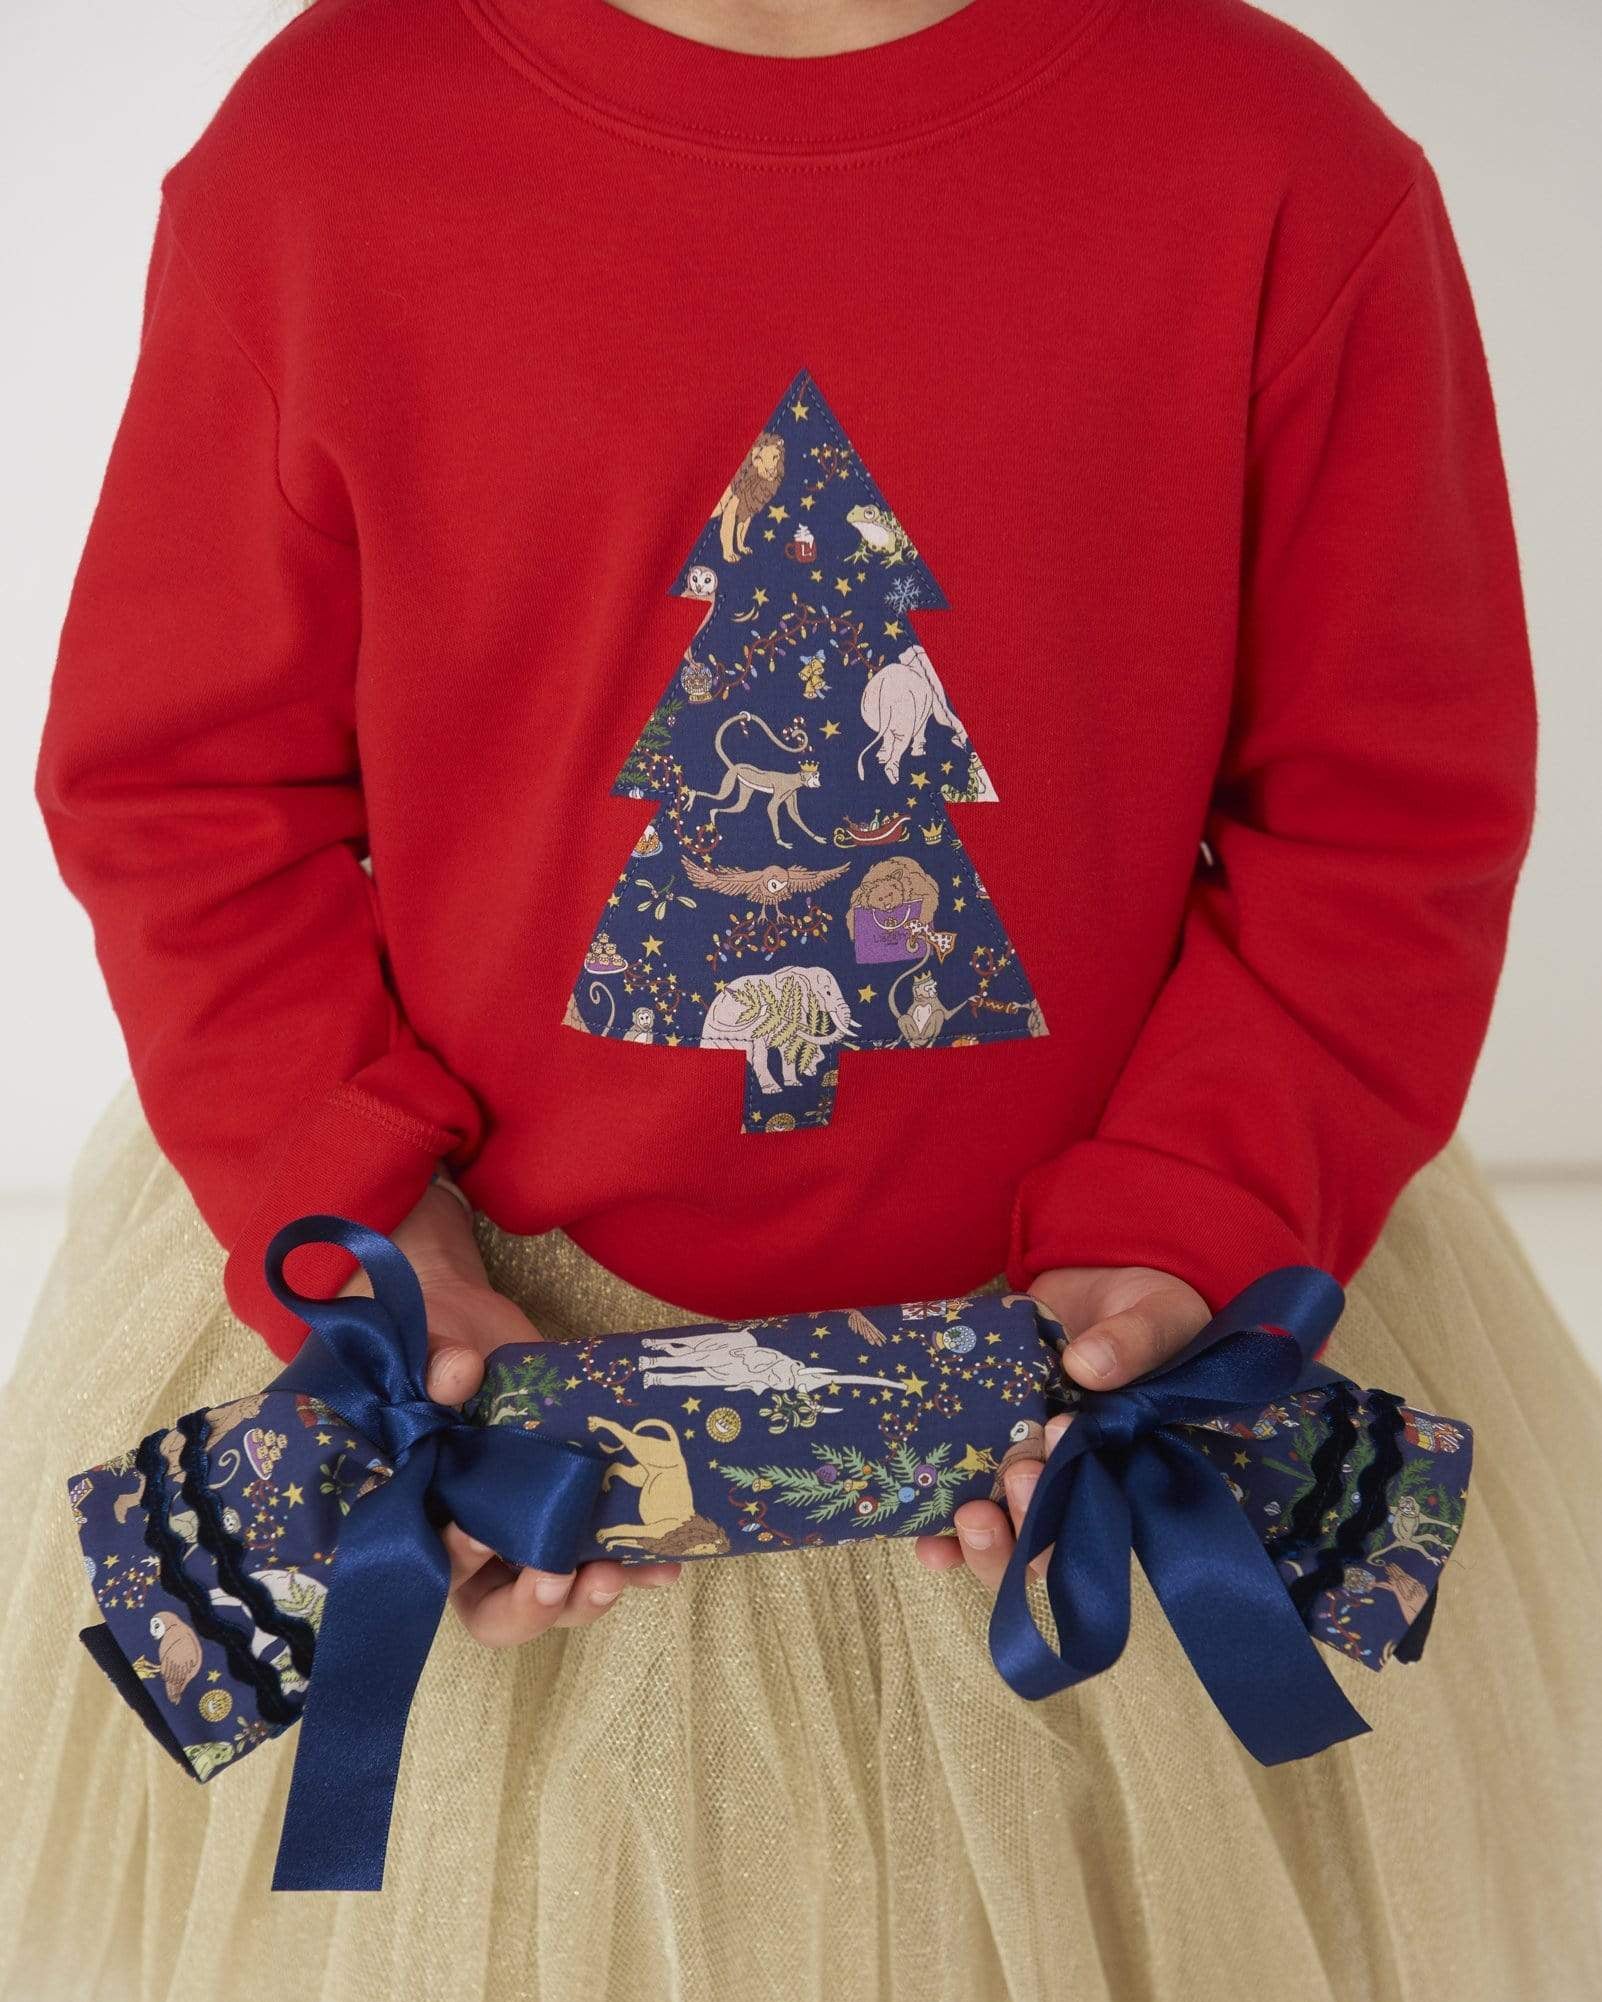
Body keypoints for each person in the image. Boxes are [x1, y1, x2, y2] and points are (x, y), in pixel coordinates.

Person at [3, 0, 1599, 1994]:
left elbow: (1387, 814)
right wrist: (355, 1209)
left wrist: (1197, 1219)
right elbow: (187, 783)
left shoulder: (1278, 168)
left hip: (1123, 1372)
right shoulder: (326, 154)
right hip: (489, 1342)